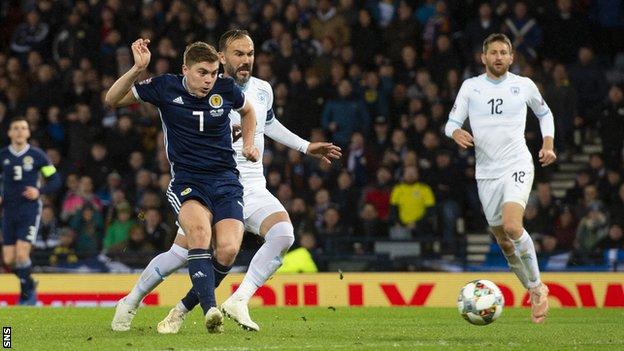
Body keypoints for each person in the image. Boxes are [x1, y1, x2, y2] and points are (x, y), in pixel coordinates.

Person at [111, 30, 340, 333]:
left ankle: (233, 301)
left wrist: (304, 146)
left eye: (250, 54)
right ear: (221, 57)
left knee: (282, 235)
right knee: (180, 255)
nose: (246, 60)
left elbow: (267, 123)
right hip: (201, 182)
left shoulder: (261, 90)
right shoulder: (200, 87)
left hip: (248, 185)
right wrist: (139, 69)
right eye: (238, 54)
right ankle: (134, 299)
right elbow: (115, 99)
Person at [106, 38, 259, 333]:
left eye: (214, 73)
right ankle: (210, 309)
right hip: (189, 182)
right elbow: (112, 99)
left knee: (225, 251)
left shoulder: (225, 88)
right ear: (185, 70)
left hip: (226, 181)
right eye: (202, 73)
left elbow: (249, 112)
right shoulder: (165, 87)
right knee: (199, 234)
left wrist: (249, 144)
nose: (209, 80)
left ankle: (165, 308)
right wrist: (138, 69)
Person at [444, 33, 556, 324]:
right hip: (487, 173)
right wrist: (455, 132)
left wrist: (547, 143)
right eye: (493, 52)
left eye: (503, 52)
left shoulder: (524, 85)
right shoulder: (471, 88)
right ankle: (532, 287)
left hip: (517, 163)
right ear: (483, 58)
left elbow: (545, 114)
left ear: (511, 57)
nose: (498, 57)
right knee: (503, 242)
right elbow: (451, 123)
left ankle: (538, 289)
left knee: (511, 225)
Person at [1, 117, 61, 304]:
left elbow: (55, 180)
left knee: (21, 254)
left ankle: (26, 296)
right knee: (9, 260)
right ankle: (29, 282)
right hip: (8, 211)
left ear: (28, 133)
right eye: (16, 128)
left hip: (29, 210)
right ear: (9, 132)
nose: (20, 131)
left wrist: (39, 191)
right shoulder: (3, 155)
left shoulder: (37, 155)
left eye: (23, 128)